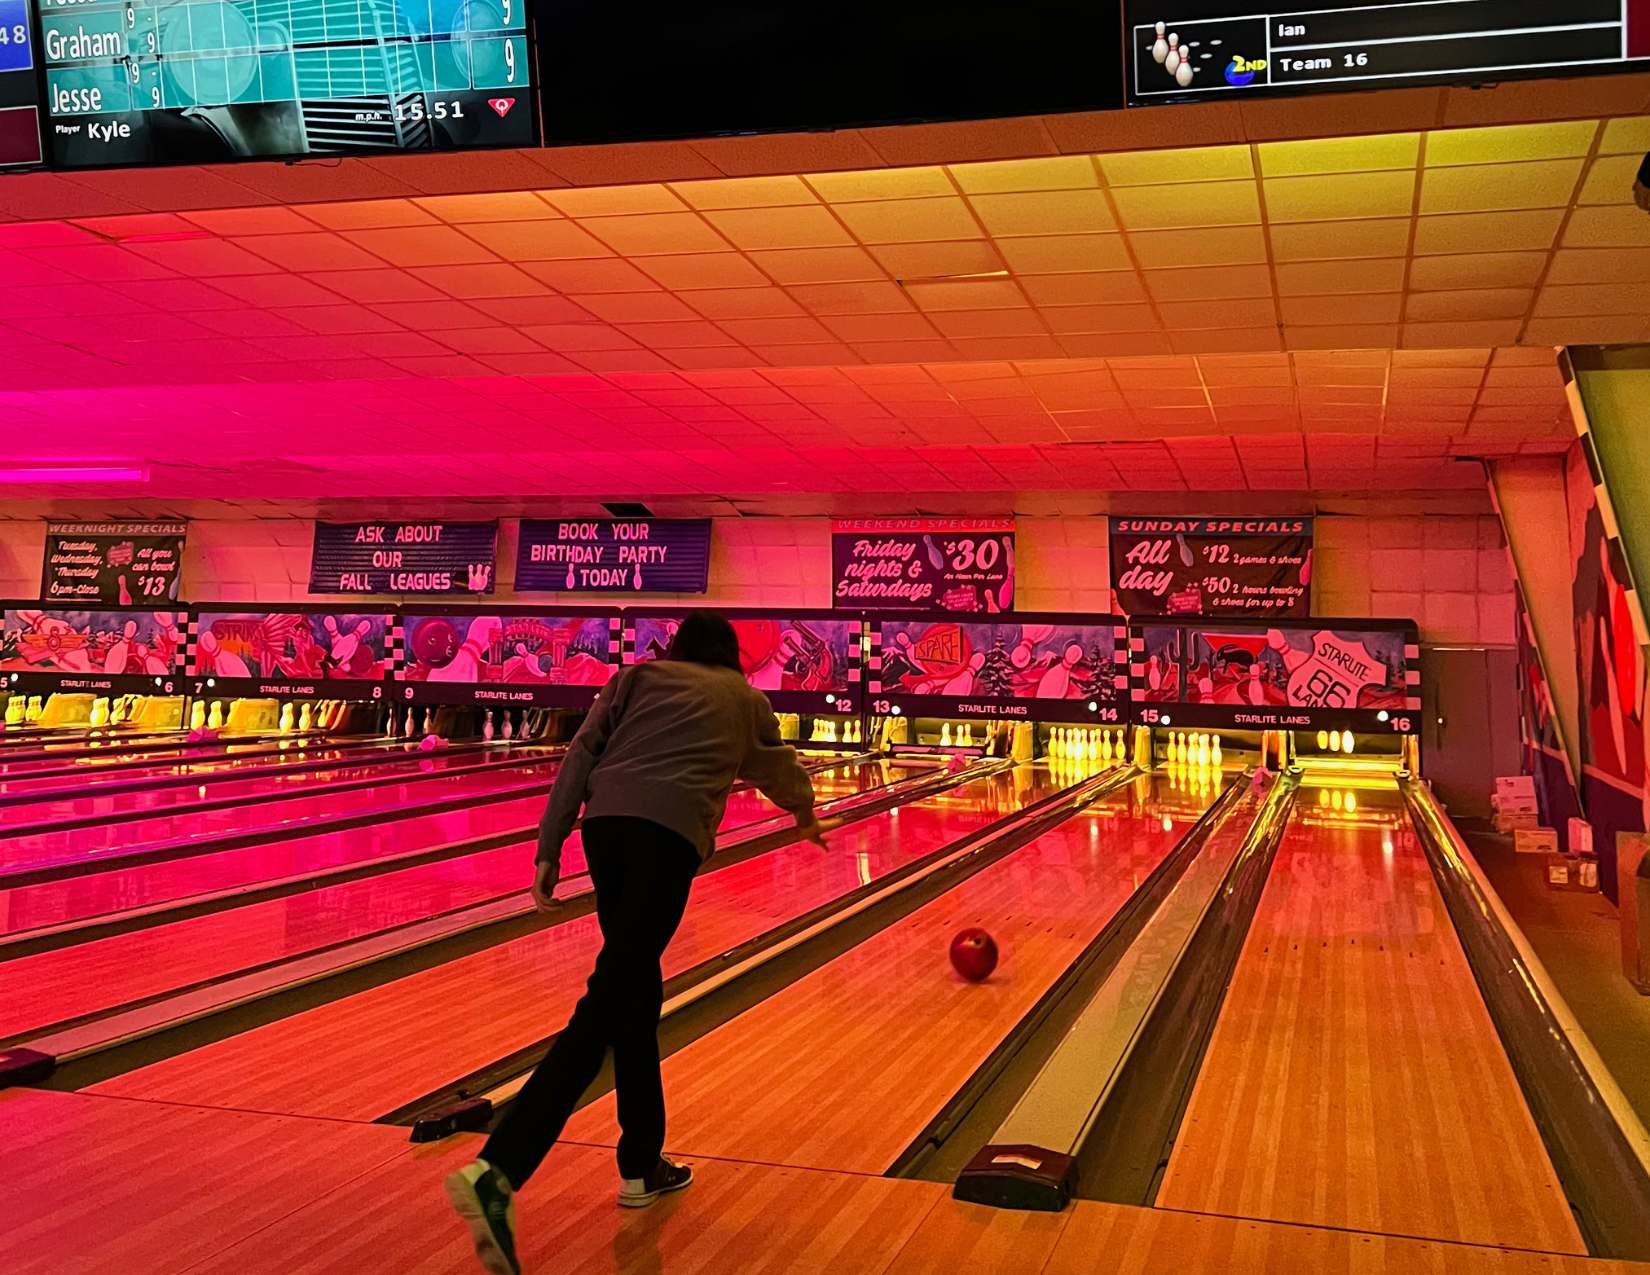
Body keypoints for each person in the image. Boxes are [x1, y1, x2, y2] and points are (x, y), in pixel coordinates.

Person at [444, 611, 825, 1275]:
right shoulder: (744, 697)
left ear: (676, 646)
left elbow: (582, 751)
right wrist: (806, 811)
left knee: (632, 995)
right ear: (731, 652)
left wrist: (549, 846)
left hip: (605, 831)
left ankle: (641, 1163)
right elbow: (775, 765)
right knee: (607, 1002)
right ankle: (498, 1169)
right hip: (665, 839)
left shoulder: (635, 676)